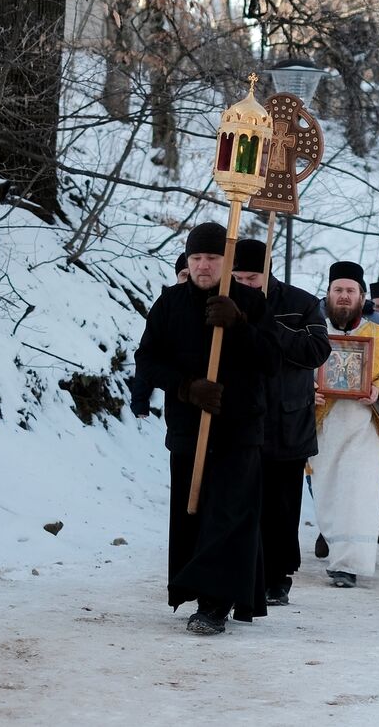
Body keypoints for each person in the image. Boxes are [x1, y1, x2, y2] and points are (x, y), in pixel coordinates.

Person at [129, 222, 281, 635]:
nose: (202, 265)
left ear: (226, 261)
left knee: (228, 514)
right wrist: (187, 388)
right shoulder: (169, 304)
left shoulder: (252, 301)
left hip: (239, 429)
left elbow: (272, 360)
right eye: (196, 258)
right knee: (193, 512)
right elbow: (147, 360)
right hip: (189, 428)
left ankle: (216, 604)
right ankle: (200, 592)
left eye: (211, 258)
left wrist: (240, 325)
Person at [229, 240, 331, 607]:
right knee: (242, 501)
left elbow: (316, 352)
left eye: (252, 277)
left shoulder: (301, 304)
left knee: (282, 506)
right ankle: (244, 570)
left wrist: (267, 323)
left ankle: (279, 575)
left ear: (267, 273)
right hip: (241, 417)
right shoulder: (226, 298)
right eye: (238, 276)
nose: (245, 284)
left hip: (287, 421)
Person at [309, 261, 379, 588]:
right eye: (337, 290)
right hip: (325, 426)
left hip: (366, 429)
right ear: (327, 294)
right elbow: (296, 374)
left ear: (362, 296)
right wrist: (307, 392)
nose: (343, 296)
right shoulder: (313, 333)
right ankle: (336, 546)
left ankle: (349, 565)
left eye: (350, 291)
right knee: (328, 493)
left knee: (359, 495)